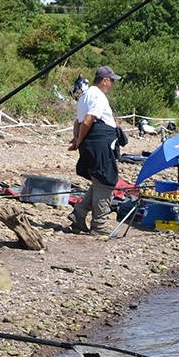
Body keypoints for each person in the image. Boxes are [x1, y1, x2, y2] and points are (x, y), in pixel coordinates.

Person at [68, 66, 122, 236]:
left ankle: (79, 214)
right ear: (104, 80)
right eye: (111, 80)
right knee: (106, 180)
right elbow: (88, 120)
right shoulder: (98, 96)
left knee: (99, 181)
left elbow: (78, 122)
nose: (112, 84)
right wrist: (79, 140)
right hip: (99, 144)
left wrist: (77, 139)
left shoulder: (85, 95)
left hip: (91, 143)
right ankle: (99, 225)